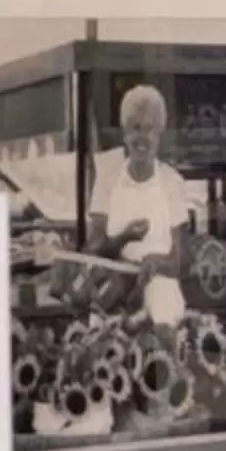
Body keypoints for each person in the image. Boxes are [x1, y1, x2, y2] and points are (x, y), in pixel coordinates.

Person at [87, 83, 190, 326]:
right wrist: (123, 238)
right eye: (135, 128)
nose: (142, 137)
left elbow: (182, 259)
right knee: (102, 335)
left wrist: (157, 263)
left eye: (149, 129)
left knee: (163, 308)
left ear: (159, 135)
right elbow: (93, 250)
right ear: (124, 134)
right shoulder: (108, 179)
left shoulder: (171, 182)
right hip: (115, 283)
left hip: (159, 283)